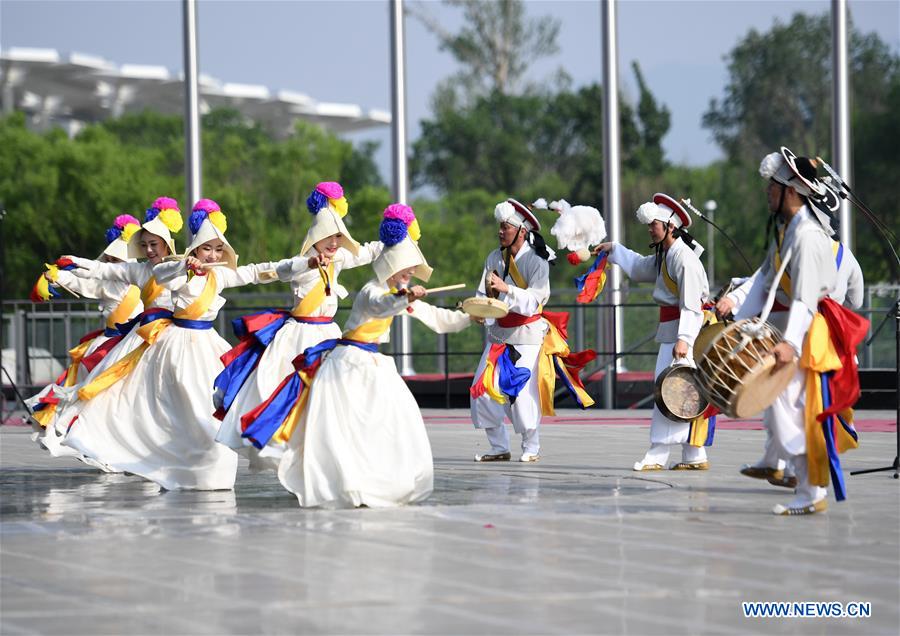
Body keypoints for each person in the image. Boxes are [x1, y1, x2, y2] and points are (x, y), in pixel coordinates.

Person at [247, 205, 472, 507]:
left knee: (391, 420)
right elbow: (381, 305)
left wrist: (472, 316)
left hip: (374, 365)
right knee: (345, 428)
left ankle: (378, 478)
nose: (407, 278)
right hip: (347, 365)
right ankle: (347, 482)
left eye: (409, 275)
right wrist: (403, 296)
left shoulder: (399, 293)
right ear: (392, 270)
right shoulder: (372, 291)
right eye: (404, 273)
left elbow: (439, 319)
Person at [62, 199, 284, 490]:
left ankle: (212, 469)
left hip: (207, 346)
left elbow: (257, 271)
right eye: (207, 248)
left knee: (211, 407)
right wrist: (75, 265)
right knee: (176, 406)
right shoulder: (169, 271)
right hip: (172, 345)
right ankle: (167, 460)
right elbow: (139, 274)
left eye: (219, 249)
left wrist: (303, 263)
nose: (213, 254)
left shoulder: (220, 275)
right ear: (194, 249)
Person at [716, 148, 866, 515]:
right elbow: (763, 283)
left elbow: (804, 299)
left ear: (792, 192)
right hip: (800, 330)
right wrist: (738, 317)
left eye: (774, 187)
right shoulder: (786, 232)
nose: (768, 192)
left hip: (812, 333)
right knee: (784, 409)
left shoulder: (810, 237)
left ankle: (810, 489)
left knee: (791, 409)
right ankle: (805, 485)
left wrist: (788, 343)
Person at [214, 182, 382, 471]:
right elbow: (279, 270)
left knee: (331, 392)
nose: (333, 243)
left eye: (338, 237)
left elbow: (366, 253)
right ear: (315, 237)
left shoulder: (338, 259)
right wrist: (310, 263)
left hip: (328, 333)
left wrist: (399, 238)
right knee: (283, 389)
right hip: (298, 335)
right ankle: (286, 445)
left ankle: (323, 448)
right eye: (328, 237)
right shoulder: (301, 262)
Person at [718, 235, 865, 490]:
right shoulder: (845, 255)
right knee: (790, 405)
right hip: (828, 340)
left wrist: (736, 303)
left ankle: (800, 479)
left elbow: (762, 282)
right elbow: (857, 300)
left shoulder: (796, 247)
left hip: (799, 339)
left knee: (791, 405)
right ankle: (781, 465)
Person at [595, 193, 714, 471]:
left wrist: (684, 340)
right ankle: (695, 455)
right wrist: (614, 249)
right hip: (676, 331)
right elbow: (638, 267)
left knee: (670, 389)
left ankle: (658, 453)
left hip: (687, 332)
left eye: (654, 224)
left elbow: (691, 305)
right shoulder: (666, 255)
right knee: (685, 390)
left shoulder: (684, 259)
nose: (650, 229)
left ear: (670, 226)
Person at [27, 214, 145, 458]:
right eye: (111, 259)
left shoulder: (142, 279)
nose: (114, 263)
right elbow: (84, 284)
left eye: (119, 259)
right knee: (92, 392)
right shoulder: (105, 283)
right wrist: (58, 277)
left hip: (137, 343)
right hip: (111, 345)